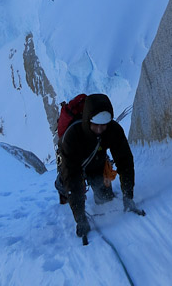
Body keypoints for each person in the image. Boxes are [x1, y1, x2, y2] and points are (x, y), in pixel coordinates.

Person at [55, 93, 145, 240]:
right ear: (87, 121)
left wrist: (128, 196)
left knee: (105, 197)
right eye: (95, 125)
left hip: (97, 165)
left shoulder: (113, 130)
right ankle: (61, 187)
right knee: (68, 187)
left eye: (103, 125)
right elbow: (72, 177)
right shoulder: (72, 136)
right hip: (74, 166)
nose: (99, 129)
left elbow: (125, 161)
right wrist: (80, 219)